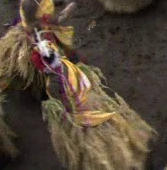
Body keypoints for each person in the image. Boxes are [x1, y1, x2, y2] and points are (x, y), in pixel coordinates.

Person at [32, 33, 156, 170]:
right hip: (94, 104)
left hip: (83, 118)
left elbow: (65, 107)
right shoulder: (69, 65)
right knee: (116, 130)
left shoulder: (53, 84)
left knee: (95, 149)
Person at [0, 0, 76, 92]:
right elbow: (32, 27)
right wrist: (61, 17)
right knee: (39, 67)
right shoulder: (29, 3)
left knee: (65, 52)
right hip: (35, 37)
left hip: (47, 30)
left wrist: (61, 3)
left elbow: (46, 2)